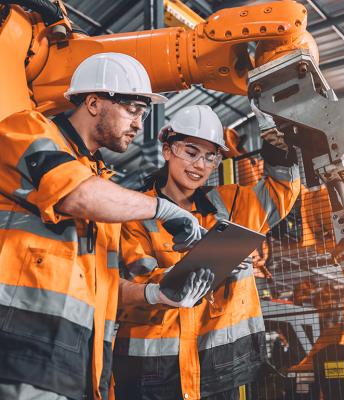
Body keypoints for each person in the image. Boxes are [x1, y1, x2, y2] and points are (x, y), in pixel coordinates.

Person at [0, 53, 212, 400]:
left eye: (143, 114)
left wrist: (156, 293)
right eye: (132, 110)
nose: (139, 125)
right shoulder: (27, 130)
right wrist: (164, 209)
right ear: (94, 102)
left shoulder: (104, 188)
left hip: (81, 367)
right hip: (19, 354)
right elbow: (75, 194)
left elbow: (109, 287)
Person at [114, 104, 301, 400]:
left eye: (210, 156)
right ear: (167, 150)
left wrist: (276, 143)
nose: (200, 164)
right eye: (190, 152)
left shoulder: (232, 204)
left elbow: (281, 191)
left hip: (219, 368)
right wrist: (203, 266)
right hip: (151, 371)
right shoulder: (137, 213)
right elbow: (140, 282)